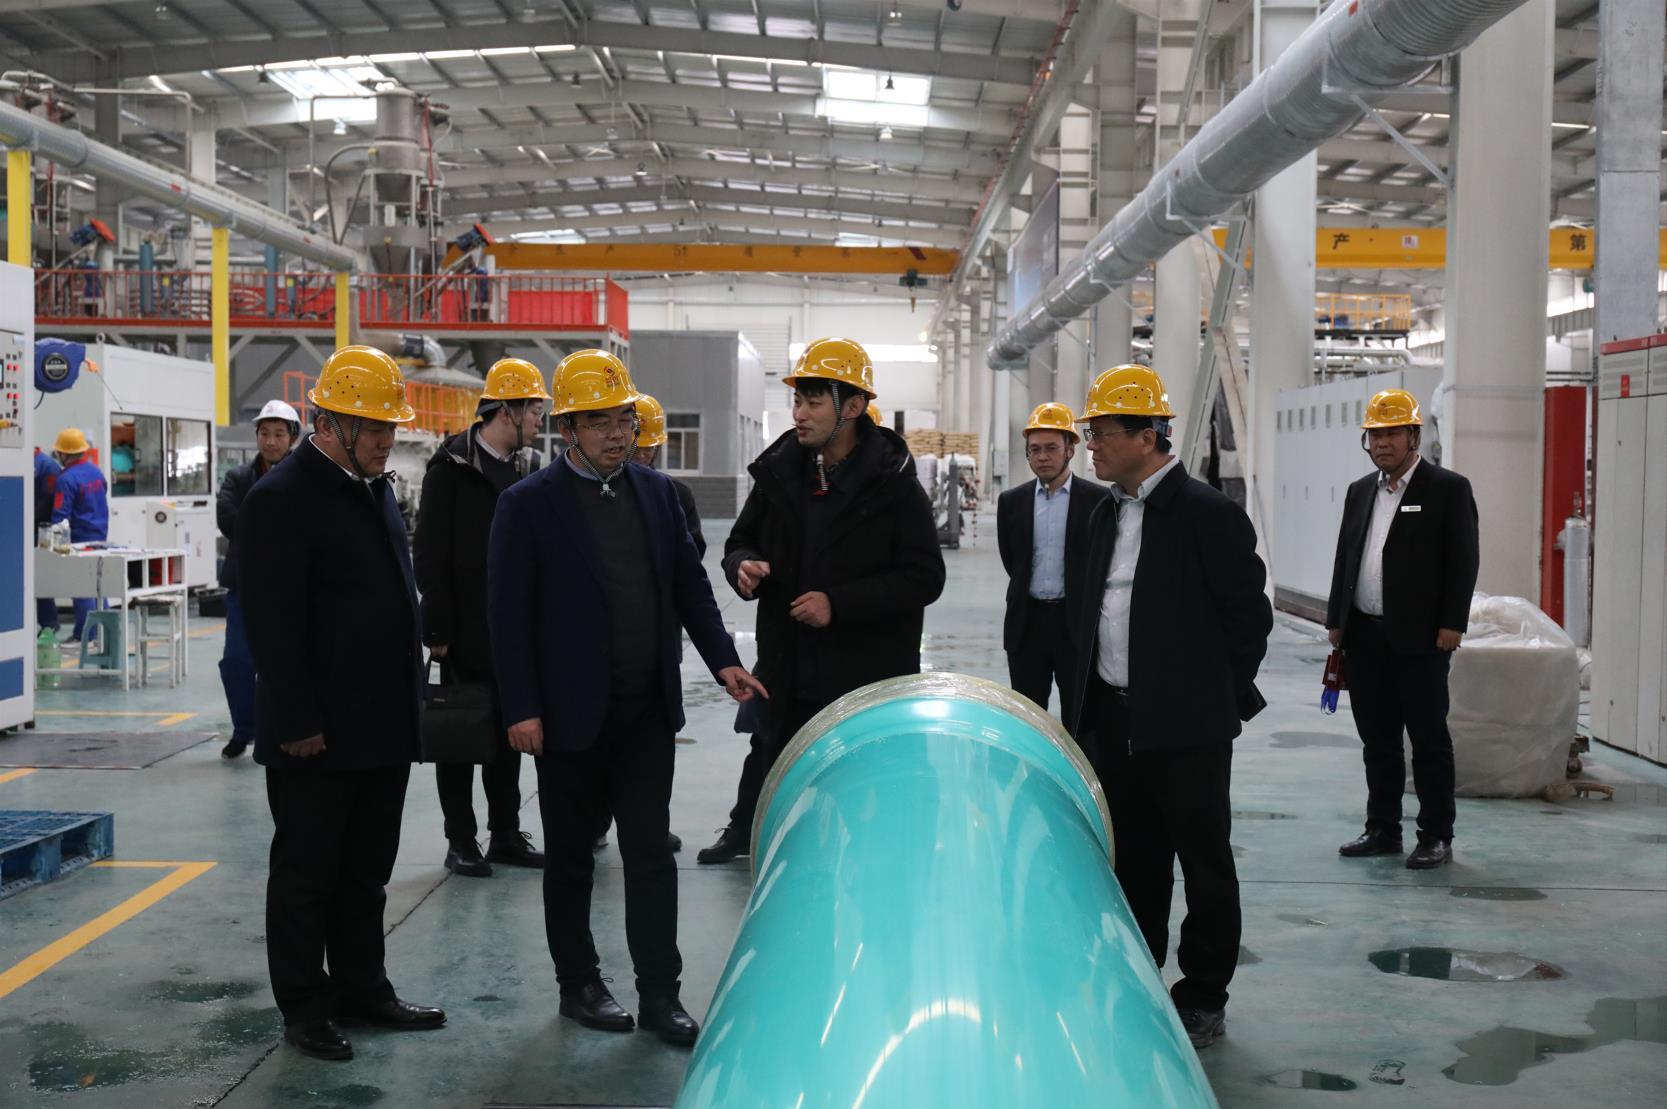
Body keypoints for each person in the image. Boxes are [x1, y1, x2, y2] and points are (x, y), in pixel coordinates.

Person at [487, 349, 766, 1047]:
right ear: (568, 429)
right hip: (567, 717)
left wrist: (725, 662)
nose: (618, 434)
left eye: (623, 420)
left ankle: (660, 993)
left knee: (649, 854)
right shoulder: (527, 505)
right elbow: (507, 616)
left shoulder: (658, 493)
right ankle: (578, 983)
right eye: (600, 422)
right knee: (572, 859)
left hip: (644, 712)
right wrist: (520, 707)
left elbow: (689, 588)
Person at [237, 346, 444, 1062]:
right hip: (316, 732)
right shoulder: (281, 499)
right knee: (308, 874)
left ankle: (362, 988)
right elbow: (272, 624)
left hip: (381, 722)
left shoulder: (372, 487)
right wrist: (296, 719)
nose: (389, 439)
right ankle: (305, 1006)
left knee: (365, 871)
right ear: (329, 424)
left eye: (391, 426)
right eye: (376, 427)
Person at [1066, 364, 1272, 1051]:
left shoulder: (1208, 515)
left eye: (1101, 433)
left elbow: (1248, 619)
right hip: (1116, 719)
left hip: (1187, 727)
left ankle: (1203, 994)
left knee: (1203, 862)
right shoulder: (1102, 513)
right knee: (1134, 861)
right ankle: (1136, 977)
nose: (1091, 446)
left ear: (1146, 435)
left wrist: (1213, 697)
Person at [697, 337, 945, 865]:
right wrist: (743, 565)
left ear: (852, 407)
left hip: (864, 672)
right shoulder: (781, 472)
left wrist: (839, 603)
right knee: (773, 756)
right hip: (788, 660)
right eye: (797, 401)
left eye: (813, 402)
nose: (799, 414)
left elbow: (924, 577)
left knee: (862, 793)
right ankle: (750, 830)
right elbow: (740, 540)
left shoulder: (894, 484)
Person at [1325, 388, 1479, 870]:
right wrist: (1336, 619)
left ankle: (1436, 835)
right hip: (1365, 637)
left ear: (1414, 435)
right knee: (1378, 741)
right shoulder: (1359, 492)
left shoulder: (1447, 489)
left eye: (1392, 433)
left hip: (1422, 639)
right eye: (1375, 435)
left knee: (1429, 741)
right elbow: (1346, 556)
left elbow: (1463, 560)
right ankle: (1382, 829)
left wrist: (1453, 622)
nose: (1382, 443)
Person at [413, 357, 548, 878]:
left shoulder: (526, 468)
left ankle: (505, 834)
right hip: (463, 629)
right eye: (533, 410)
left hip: (513, 630)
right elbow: (430, 553)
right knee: (459, 735)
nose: (539, 420)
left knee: (509, 734)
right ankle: (461, 840)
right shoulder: (450, 469)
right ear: (506, 410)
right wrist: (437, 629)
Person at [995, 402, 1107, 719]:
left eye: (1051, 448)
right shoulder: (1011, 502)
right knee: (1028, 717)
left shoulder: (1098, 501)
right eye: (1035, 449)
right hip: (1027, 625)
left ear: (1070, 449)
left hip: (1076, 624)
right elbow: (1012, 561)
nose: (1042, 456)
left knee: (1080, 717)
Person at [216, 400, 299, 760]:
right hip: (246, 587)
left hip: (293, 588)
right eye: (265, 433)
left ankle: (287, 729)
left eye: (279, 434)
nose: (270, 441)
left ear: (292, 438)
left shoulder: (305, 478)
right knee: (236, 661)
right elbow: (227, 518)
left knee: (290, 662)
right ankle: (243, 730)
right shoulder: (237, 478)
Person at [50, 427, 109, 643]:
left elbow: (60, 516)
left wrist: (51, 542)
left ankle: (84, 635)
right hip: (99, 537)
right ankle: (105, 633)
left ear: (64, 453)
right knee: (99, 585)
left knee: (81, 587)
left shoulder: (66, 479)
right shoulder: (96, 472)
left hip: (78, 540)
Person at [633, 393, 705, 559]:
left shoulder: (678, 493)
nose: (642, 455)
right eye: (635, 449)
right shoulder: (605, 490)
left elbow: (695, 551)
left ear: (657, 448)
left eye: (648, 449)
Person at [33, 448, 61, 632]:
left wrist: (28, 519)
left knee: (38, 576)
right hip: (25, 528)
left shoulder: (47, 466)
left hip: (40, 530)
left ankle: (49, 624)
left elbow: (47, 502)